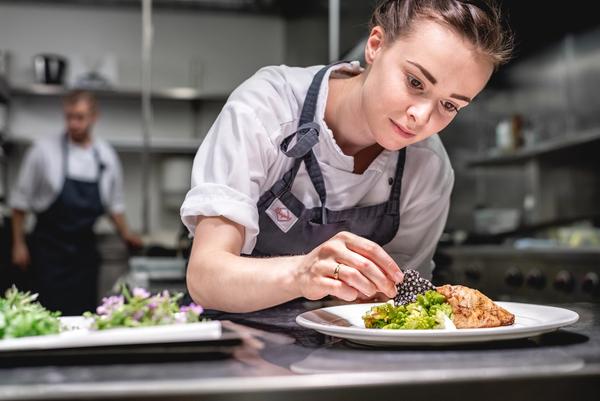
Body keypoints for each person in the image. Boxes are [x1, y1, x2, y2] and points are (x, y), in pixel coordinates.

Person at [181, 0, 513, 312]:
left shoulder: (428, 168)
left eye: (449, 105)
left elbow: (400, 300)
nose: (422, 116)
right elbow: (205, 276)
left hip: (343, 348)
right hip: (235, 339)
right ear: (375, 45)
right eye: (415, 82)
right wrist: (303, 273)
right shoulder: (268, 106)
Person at [10, 90, 142, 315]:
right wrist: (18, 244)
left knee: (82, 315)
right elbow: (20, 202)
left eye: (80, 117)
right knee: (45, 314)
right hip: (48, 252)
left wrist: (126, 234)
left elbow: (114, 205)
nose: (73, 124)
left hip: (84, 254)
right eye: (69, 117)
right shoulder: (43, 151)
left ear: (94, 117)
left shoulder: (106, 156)